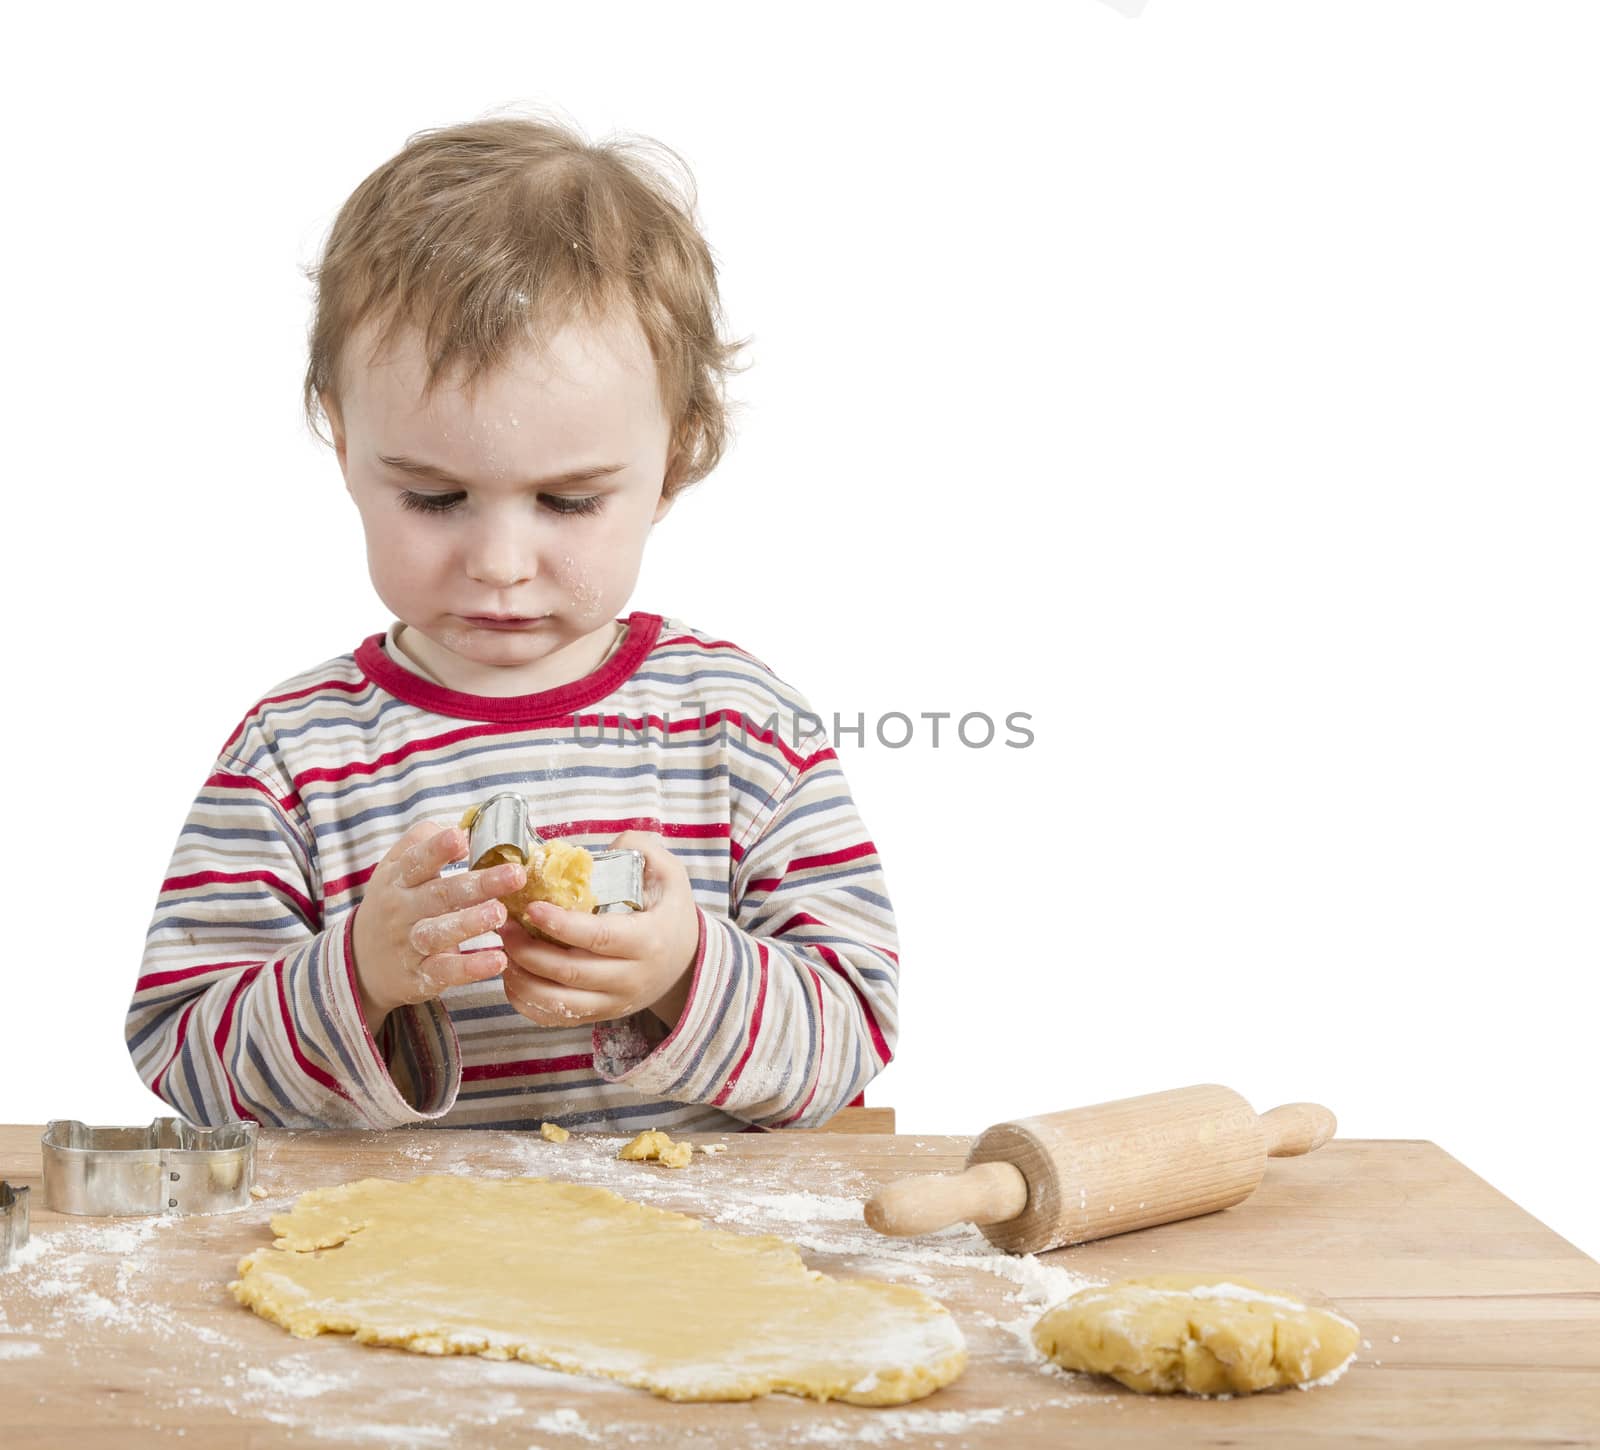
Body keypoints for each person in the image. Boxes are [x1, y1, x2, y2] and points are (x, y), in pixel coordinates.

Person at [124, 115, 898, 1133]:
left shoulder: (740, 728)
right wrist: (355, 974)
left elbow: (852, 1029)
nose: (497, 562)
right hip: (393, 1274)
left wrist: (682, 970)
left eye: (568, 502)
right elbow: (182, 1051)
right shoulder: (292, 754)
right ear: (345, 439)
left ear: (678, 455)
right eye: (435, 499)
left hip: (690, 1270)